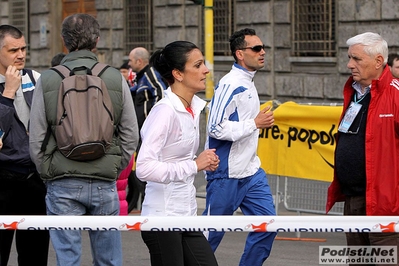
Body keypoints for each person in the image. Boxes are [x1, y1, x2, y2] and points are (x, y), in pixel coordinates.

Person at [29, 14, 139, 266]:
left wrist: (48, 171)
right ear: (97, 40)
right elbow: (131, 132)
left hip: (62, 181)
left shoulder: (47, 79)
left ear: (63, 41)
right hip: (104, 182)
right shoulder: (114, 77)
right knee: (109, 259)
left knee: (67, 259)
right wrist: (114, 165)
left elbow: (36, 137)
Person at [136, 40, 219, 266]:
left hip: (186, 215)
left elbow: (177, 158)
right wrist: (194, 165)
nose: (205, 70)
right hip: (162, 218)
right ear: (178, 74)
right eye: (198, 65)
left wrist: (202, 161)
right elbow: (144, 168)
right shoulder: (165, 112)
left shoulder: (193, 108)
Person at [202, 28, 277, 266]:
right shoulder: (231, 83)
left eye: (263, 47)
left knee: (268, 226)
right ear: (240, 54)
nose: (262, 52)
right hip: (226, 174)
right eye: (256, 48)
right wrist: (254, 123)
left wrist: (252, 124)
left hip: (251, 172)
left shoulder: (248, 81)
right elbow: (215, 128)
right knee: (209, 236)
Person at [326, 32, 399, 264]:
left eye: (356, 59)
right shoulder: (355, 93)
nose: (349, 65)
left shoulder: (395, 94)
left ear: (378, 61)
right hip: (354, 200)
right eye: (349, 58)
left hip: (386, 204)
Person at [0, 24, 50, 266]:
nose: (21, 55)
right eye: (13, 50)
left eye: (23, 49)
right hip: (3, 181)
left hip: (34, 180)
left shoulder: (35, 78)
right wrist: (8, 93)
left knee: (34, 255)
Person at [126, 47, 167, 213]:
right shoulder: (142, 78)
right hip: (140, 134)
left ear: (139, 61)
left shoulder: (151, 76)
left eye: (130, 61)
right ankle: (146, 207)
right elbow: (134, 93)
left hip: (148, 135)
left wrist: (154, 123)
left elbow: (162, 95)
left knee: (143, 171)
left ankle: (152, 209)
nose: (129, 64)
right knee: (138, 172)